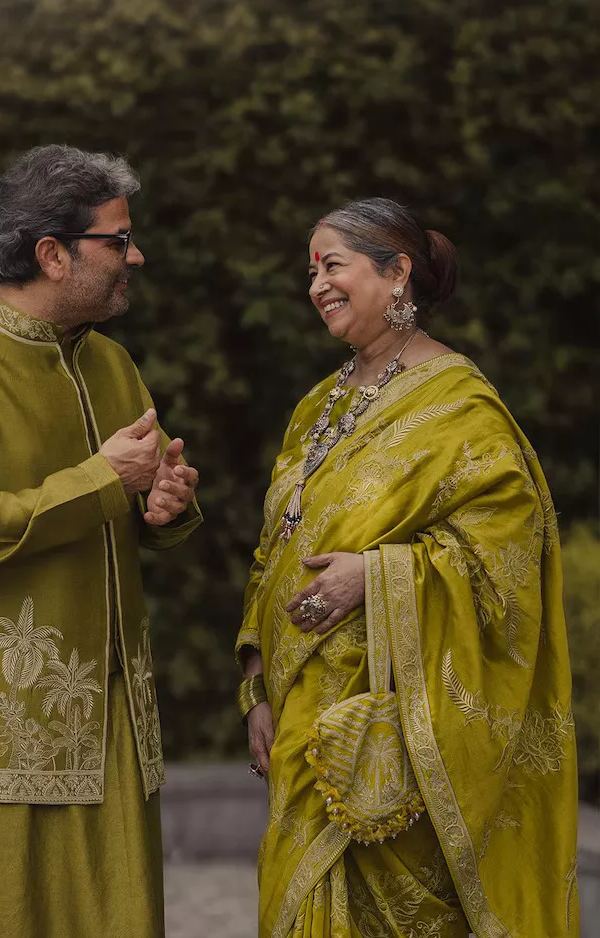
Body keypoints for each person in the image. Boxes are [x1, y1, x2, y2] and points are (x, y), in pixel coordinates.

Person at [236, 198, 578, 938]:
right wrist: (257, 681)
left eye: (332, 265)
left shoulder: (461, 407)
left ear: (397, 275)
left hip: (398, 736)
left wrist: (378, 576)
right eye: (310, 271)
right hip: (302, 720)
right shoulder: (315, 408)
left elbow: (505, 561)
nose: (316, 285)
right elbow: (275, 548)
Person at [0, 144, 202, 938]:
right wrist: (105, 480)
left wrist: (161, 505)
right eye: (118, 241)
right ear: (51, 254)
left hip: (113, 720)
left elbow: (129, 504)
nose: (137, 256)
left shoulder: (112, 363)